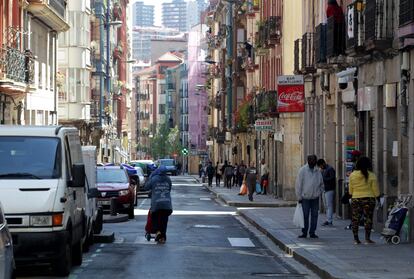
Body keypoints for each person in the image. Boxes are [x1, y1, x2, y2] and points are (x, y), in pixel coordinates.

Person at [349, 157, 380, 245]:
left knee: (355, 219)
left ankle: (356, 239)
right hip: (369, 199)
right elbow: (376, 191)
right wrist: (377, 196)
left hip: (356, 199)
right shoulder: (372, 175)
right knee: (368, 219)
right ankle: (367, 239)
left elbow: (350, 191)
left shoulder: (352, 175)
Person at [295, 155, 324, 239]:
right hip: (305, 198)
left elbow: (322, 184)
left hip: (315, 198)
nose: (313, 162)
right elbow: (298, 185)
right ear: (308, 161)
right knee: (305, 215)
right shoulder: (302, 170)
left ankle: (312, 232)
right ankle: (304, 232)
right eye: (312, 160)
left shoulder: (317, 171)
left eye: (314, 161)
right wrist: (299, 197)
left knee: (315, 215)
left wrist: (319, 193)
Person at [144, 166, 173, 243]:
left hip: (156, 204)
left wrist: (150, 179)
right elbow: (169, 189)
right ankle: (162, 236)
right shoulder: (168, 179)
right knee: (164, 220)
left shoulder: (154, 179)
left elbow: (146, 187)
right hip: (167, 204)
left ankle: (158, 232)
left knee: (155, 218)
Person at [317, 159, 336, 226]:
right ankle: (328, 219)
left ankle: (329, 220)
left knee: (329, 205)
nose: (320, 167)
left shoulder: (330, 169)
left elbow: (332, 178)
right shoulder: (323, 170)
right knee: (326, 205)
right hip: (324, 189)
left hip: (329, 189)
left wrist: (323, 179)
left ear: (323, 163)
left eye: (321, 166)